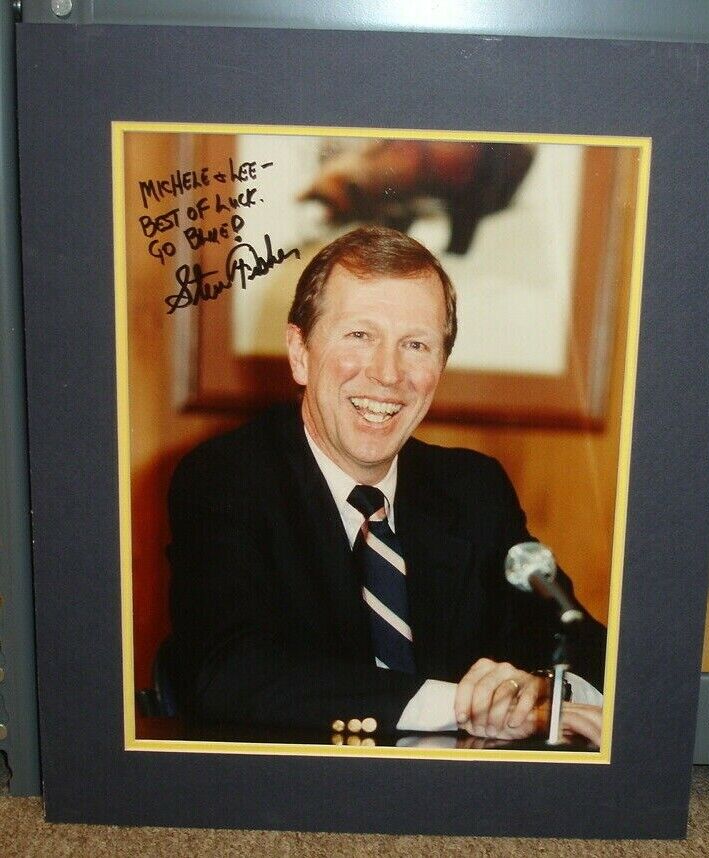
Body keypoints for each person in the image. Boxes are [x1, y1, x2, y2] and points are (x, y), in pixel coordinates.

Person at [167, 225, 607, 743]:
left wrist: (540, 692)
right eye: (360, 335)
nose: (388, 374)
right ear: (300, 352)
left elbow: (582, 646)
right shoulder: (228, 478)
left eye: (416, 345)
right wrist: (463, 705)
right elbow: (227, 672)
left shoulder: (472, 489)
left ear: (440, 366)